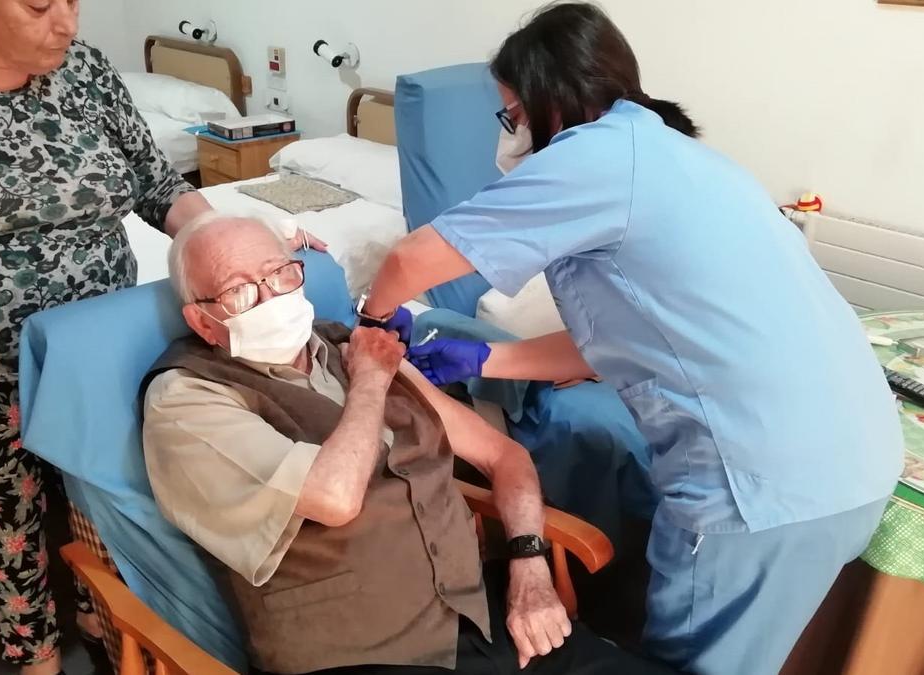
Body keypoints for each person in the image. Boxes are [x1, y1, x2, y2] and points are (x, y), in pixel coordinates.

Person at [355, 3, 904, 674]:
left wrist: (371, 324)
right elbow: (628, 334)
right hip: (851, 458)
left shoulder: (592, 159)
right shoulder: (672, 153)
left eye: (512, 114)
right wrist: (489, 356)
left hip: (762, 485)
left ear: (549, 98)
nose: (510, 134)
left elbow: (413, 260)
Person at [0, 3, 320, 674]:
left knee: (106, 491)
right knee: (8, 518)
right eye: (38, 6)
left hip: (99, 352)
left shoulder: (83, 70)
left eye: (72, 0)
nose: (66, 22)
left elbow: (159, 184)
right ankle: (36, 656)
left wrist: (237, 252)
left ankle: (104, 613)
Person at [140, 215, 676, 675]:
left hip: (485, 619)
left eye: (279, 274)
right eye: (238, 291)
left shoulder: (347, 345)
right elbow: (333, 498)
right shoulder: (187, 400)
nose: (270, 298)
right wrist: (371, 380)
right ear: (201, 320)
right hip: (360, 657)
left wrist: (530, 566)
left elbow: (503, 456)